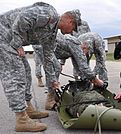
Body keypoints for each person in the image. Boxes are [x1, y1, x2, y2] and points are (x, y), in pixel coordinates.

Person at [0, 2, 77, 132]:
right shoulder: (49, 14)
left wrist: (53, 81)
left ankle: (28, 109)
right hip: (3, 35)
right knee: (15, 75)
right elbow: (24, 18)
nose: (72, 32)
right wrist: (17, 43)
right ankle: (21, 119)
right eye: (73, 29)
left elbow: (48, 60)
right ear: (70, 21)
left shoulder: (52, 34)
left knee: (26, 72)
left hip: (10, 39)